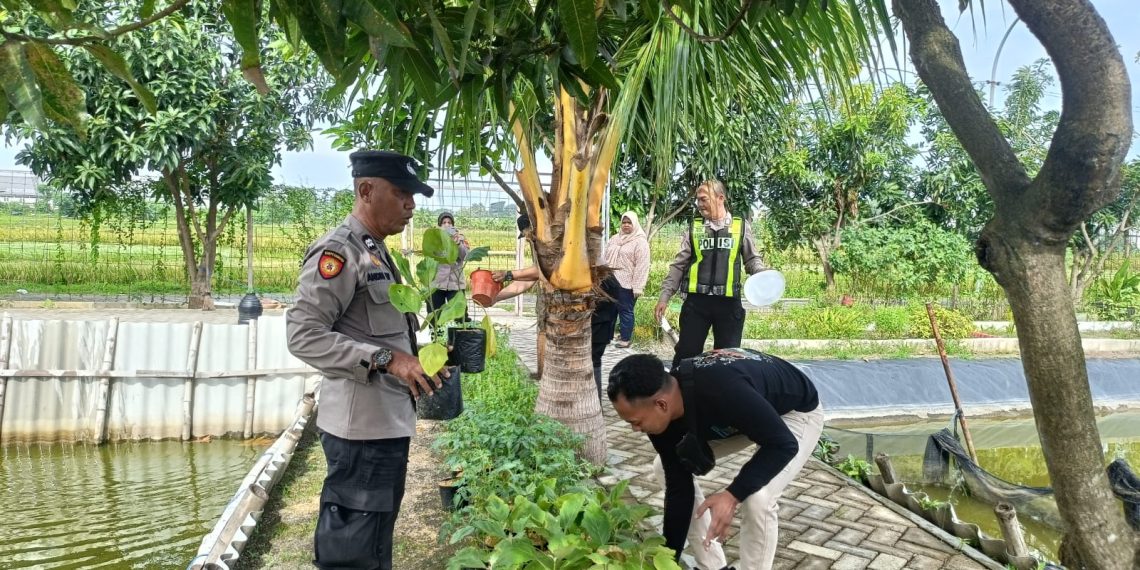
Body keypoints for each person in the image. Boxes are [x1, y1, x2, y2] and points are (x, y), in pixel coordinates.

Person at [286, 150, 449, 570]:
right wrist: (388, 359)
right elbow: (304, 336)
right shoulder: (340, 252)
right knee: (354, 552)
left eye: (413, 195)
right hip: (360, 434)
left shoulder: (375, 249)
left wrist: (420, 363)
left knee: (373, 542)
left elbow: (380, 330)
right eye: (402, 193)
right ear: (365, 190)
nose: (412, 204)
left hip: (382, 425)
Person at [607, 349, 824, 570]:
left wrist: (732, 495)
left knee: (758, 496)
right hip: (744, 414)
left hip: (793, 413)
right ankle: (712, 566)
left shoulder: (722, 390)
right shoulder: (661, 415)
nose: (635, 430)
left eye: (635, 421)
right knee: (664, 466)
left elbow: (782, 445)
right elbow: (679, 491)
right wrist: (667, 561)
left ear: (661, 404)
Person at [491, 215, 618, 399]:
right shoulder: (544, 245)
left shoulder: (560, 239)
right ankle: (581, 399)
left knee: (592, 353)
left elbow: (546, 268)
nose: (527, 239)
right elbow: (528, 281)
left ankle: (593, 404)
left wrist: (509, 274)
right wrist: (496, 297)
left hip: (600, 293)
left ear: (534, 228)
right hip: (584, 296)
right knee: (581, 353)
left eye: (527, 234)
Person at [655, 180, 766, 368]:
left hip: (729, 305)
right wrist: (664, 296)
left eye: (703, 199)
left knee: (727, 360)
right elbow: (678, 265)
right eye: (697, 200)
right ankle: (681, 394)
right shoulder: (695, 227)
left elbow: (751, 259)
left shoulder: (740, 226)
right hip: (697, 304)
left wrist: (762, 274)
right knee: (686, 356)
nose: (699, 204)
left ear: (720, 198)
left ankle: (720, 396)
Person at [604, 211, 651, 348]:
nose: (626, 225)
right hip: (610, 281)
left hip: (627, 284)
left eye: (629, 222)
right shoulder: (614, 238)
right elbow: (605, 257)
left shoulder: (640, 242)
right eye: (624, 222)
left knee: (625, 311)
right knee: (609, 310)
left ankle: (625, 339)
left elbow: (642, 266)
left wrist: (638, 286)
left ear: (635, 224)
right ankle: (607, 336)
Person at [430, 211, 470, 324]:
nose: (447, 225)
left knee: (460, 316)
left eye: (449, 222)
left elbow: (465, 255)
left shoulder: (461, 238)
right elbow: (430, 255)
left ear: (453, 225)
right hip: (437, 284)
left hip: (455, 284)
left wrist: (457, 244)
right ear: (440, 225)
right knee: (434, 315)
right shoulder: (434, 239)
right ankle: (437, 338)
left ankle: (459, 339)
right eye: (444, 223)